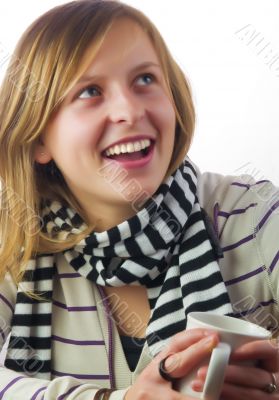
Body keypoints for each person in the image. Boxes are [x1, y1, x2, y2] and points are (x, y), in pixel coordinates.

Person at [0, 0, 278, 399]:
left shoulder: (254, 215)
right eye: (90, 91)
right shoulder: (14, 236)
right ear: (40, 138)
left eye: (145, 80)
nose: (129, 111)